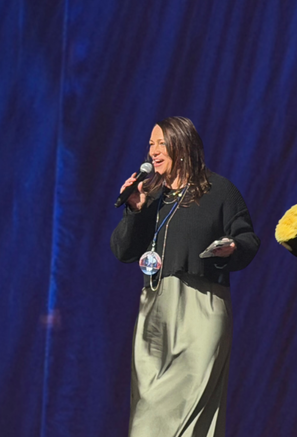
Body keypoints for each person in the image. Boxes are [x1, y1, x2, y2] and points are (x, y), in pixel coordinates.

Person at [111, 116, 260, 437]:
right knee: (148, 403)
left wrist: (232, 247)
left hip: (202, 307)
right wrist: (134, 210)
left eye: (161, 143)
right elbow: (123, 251)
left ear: (183, 145)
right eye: (150, 144)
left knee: (191, 401)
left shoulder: (219, 190)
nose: (153, 151)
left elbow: (248, 239)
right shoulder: (150, 196)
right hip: (153, 307)